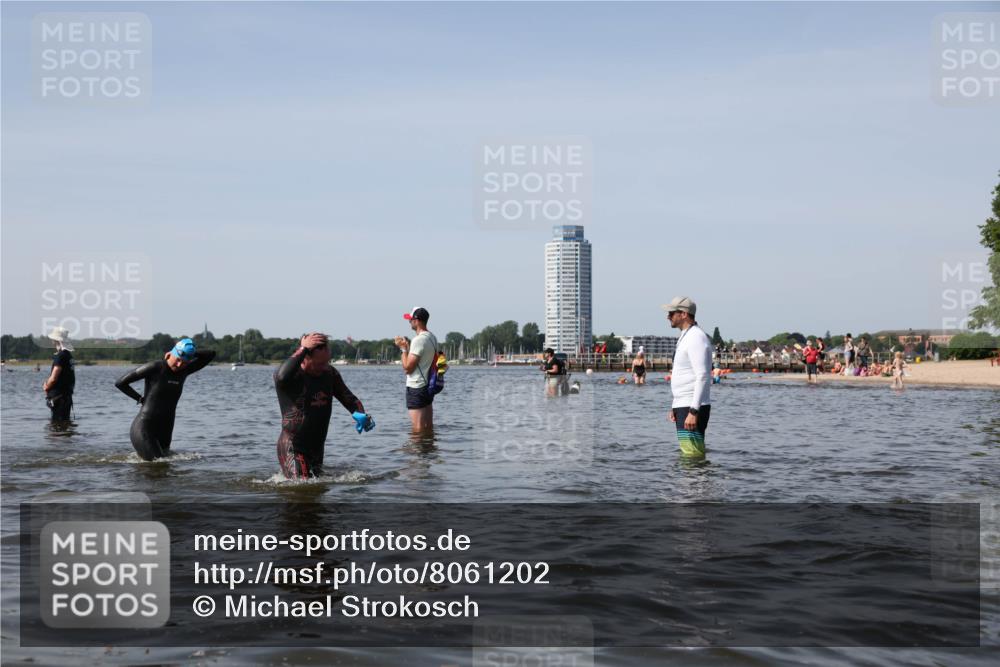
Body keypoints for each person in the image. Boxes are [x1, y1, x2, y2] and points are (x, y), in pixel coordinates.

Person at [273, 333, 373, 479]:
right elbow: (281, 376)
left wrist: (360, 414)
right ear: (305, 357)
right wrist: (303, 348)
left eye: (327, 362)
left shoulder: (329, 373)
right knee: (302, 491)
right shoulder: (292, 376)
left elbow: (349, 399)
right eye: (320, 364)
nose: (324, 367)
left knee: (316, 493)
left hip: (317, 448)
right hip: (293, 447)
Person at [115, 338, 216, 460]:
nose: (179, 365)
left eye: (184, 362)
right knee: (157, 464)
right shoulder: (155, 367)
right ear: (169, 354)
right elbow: (121, 383)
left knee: (164, 467)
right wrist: (139, 398)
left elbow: (211, 354)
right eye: (178, 360)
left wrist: (190, 352)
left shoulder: (185, 370)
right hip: (144, 427)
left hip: (166, 429)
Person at [663, 296, 712, 457]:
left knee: (692, 455)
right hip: (683, 403)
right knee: (689, 453)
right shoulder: (686, 336)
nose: (668, 316)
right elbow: (683, 372)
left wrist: (693, 411)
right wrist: (675, 404)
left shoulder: (695, 337)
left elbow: (702, 375)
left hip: (692, 406)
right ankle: (691, 482)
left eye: (671, 313)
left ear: (683, 314)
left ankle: (695, 482)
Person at [395, 307, 439, 432]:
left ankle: (417, 450)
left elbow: (408, 368)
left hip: (416, 387)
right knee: (428, 427)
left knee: (417, 429)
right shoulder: (432, 337)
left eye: (410, 319)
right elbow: (421, 361)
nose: (409, 322)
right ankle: (428, 449)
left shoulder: (418, 340)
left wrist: (403, 349)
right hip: (428, 386)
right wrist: (408, 349)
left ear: (417, 321)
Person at [42, 327, 75, 421]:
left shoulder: (60, 356)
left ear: (55, 340)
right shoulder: (68, 355)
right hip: (66, 397)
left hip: (58, 399)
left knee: (56, 428)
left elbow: (54, 377)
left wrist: (46, 386)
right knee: (65, 425)